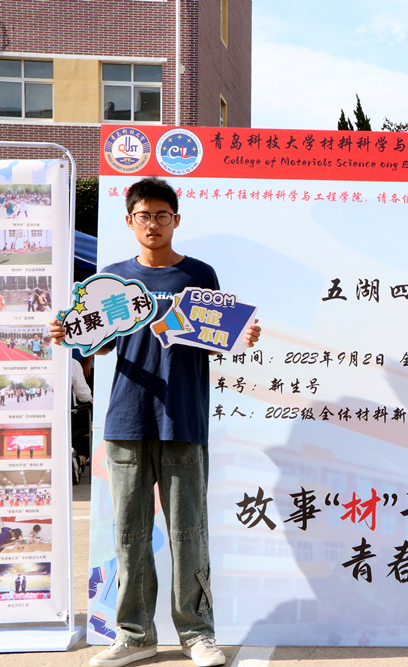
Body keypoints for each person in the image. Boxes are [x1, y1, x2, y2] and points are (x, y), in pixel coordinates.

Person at [50, 176, 260, 667]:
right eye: (144, 215)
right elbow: (99, 344)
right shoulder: (111, 279)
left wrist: (240, 337)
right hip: (126, 418)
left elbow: (215, 337)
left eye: (162, 215)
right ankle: (134, 635)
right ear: (130, 220)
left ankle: (197, 634)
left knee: (189, 532)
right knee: (129, 533)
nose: (153, 224)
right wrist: (68, 331)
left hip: (183, 418)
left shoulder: (199, 274)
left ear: (176, 220)